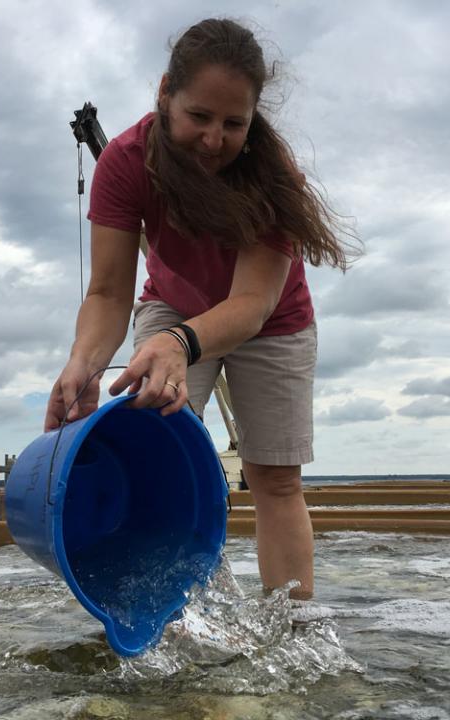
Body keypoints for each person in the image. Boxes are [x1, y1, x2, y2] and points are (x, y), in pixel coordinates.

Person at [45, 18, 355, 601]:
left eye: (234, 123)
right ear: (165, 94)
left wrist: (181, 344)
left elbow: (252, 304)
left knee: (275, 477)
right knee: (153, 443)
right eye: (199, 117)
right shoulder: (125, 162)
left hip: (273, 322)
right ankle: (170, 615)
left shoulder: (270, 175)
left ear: (253, 118)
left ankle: (292, 627)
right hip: (171, 304)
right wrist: (83, 364)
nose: (215, 139)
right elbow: (109, 293)